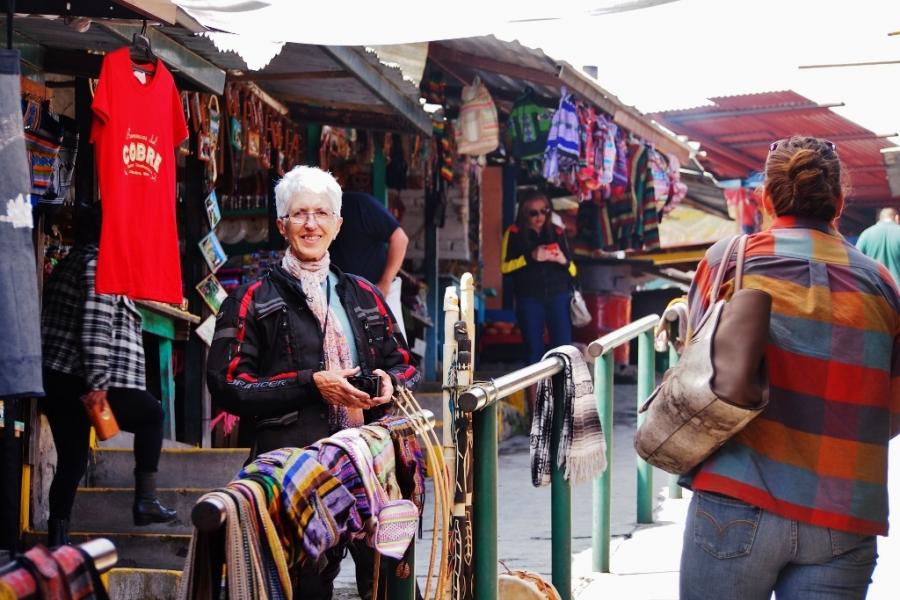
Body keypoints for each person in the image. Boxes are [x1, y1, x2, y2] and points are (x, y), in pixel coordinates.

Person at [679, 136, 900, 600]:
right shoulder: (881, 285)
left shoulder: (729, 262)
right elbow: (893, 411)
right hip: (843, 515)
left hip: (735, 499)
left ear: (765, 197)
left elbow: (693, 369)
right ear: (838, 203)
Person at [207, 166, 419, 599]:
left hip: (371, 464)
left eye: (321, 213)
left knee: (389, 584)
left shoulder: (364, 294)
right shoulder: (250, 299)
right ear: (282, 225)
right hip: (292, 471)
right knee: (302, 588)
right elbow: (227, 385)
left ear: (337, 226)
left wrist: (386, 382)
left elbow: (405, 365)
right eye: (299, 213)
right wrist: (311, 385)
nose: (310, 224)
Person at [40, 206, 177, 548]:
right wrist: (99, 385)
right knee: (151, 415)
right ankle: (145, 500)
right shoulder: (99, 267)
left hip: (60, 377)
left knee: (72, 459)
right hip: (83, 378)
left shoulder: (76, 262)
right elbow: (95, 329)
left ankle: (58, 541)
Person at [501, 190, 577, 366]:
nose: (539, 217)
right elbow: (504, 268)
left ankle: (561, 392)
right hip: (529, 297)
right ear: (524, 213)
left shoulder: (557, 232)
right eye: (533, 212)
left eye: (544, 211)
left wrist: (562, 260)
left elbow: (573, 271)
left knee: (563, 348)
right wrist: (531, 257)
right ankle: (535, 393)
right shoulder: (513, 232)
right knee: (533, 350)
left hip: (558, 295)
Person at [330, 190, 410, 341]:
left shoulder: (360, 203)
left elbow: (400, 239)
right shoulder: (317, 218)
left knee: (392, 351)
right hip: (343, 298)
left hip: (378, 292)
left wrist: (384, 284)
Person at [856, 206, 900, 284]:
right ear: (897, 218)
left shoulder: (866, 234)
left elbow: (856, 262)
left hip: (874, 289)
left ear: (880, 219)